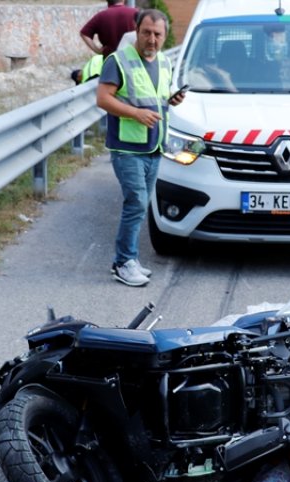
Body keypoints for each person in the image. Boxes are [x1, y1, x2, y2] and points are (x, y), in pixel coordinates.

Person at [96, 9, 184, 286]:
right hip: (127, 148)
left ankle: (129, 259)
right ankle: (123, 262)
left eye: (157, 34)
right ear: (136, 30)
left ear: (165, 36)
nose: (151, 39)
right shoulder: (118, 60)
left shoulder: (165, 63)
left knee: (141, 203)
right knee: (135, 202)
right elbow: (103, 99)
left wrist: (173, 99)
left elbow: (157, 99)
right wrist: (135, 114)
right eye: (146, 32)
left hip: (154, 146)